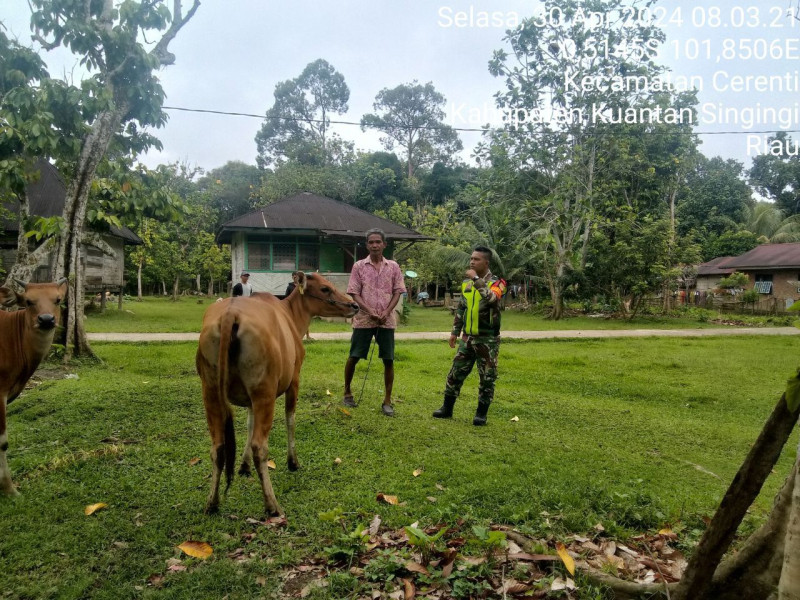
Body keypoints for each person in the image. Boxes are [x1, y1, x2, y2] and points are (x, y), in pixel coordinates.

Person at [433, 246, 506, 426]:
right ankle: (447, 408)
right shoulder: (466, 283)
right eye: (471, 258)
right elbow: (461, 308)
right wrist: (454, 332)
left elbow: (491, 299)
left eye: (476, 259)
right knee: (455, 373)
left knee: (487, 378)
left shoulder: (498, 283)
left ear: (486, 262)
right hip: (467, 338)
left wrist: (476, 279)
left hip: (487, 339)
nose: (472, 262)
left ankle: (481, 414)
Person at [343, 228, 406, 416]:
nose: (374, 245)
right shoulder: (358, 266)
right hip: (363, 319)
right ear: (367, 245)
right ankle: (347, 392)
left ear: (384, 244)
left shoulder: (393, 266)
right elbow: (354, 293)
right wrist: (370, 311)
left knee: (388, 359)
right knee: (354, 356)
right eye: (371, 242)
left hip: (386, 321)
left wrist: (386, 312)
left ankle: (387, 401)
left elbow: (398, 291)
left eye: (378, 242)